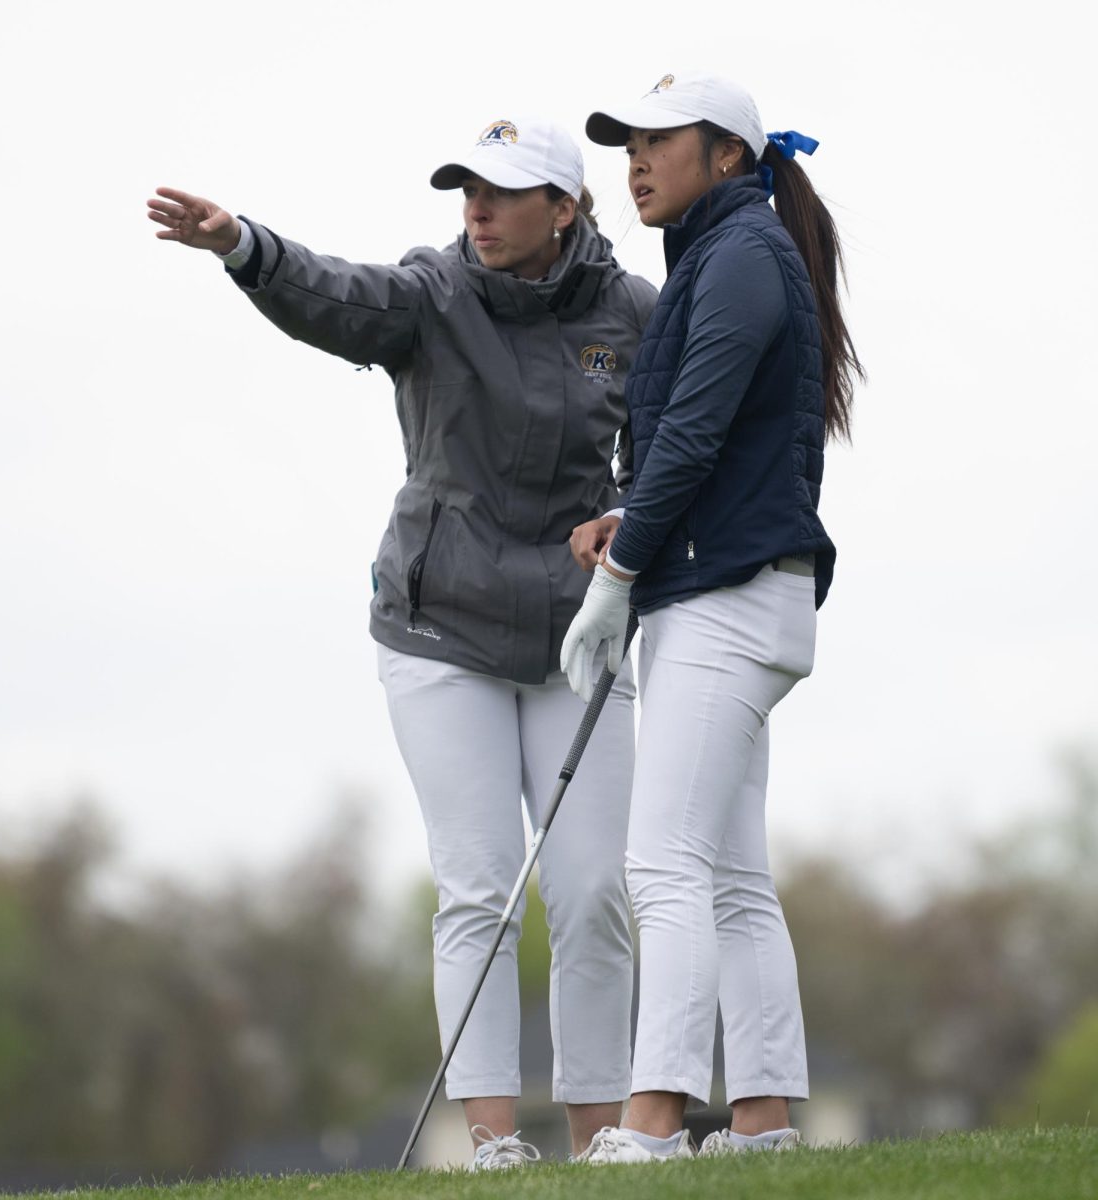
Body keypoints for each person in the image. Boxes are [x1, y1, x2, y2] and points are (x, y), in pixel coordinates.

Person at [147, 115, 658, 1167]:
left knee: (594, 888)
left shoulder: (634, 314)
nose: (477, 209)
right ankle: (492, 1144)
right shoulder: (433, 289)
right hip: (438, 629)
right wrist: (244, 245)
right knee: (477, 885)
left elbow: (668, 455)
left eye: (504, 193)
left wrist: (635, 523)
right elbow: (337, 296)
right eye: (466, 189)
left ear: (563, 207)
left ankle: (603, 1141)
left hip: (578, 631)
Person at [559, 73, 863, 1163]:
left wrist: (618, 572)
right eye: (626, 144)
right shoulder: (725, 254)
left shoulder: (736, 257)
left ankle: (648, 1123)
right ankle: (764, 1117)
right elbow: (704, 452)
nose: (635, 161)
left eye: (659, 141)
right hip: (737, 589)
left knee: (665, 864)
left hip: (726, 602)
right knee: (729, 873)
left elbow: (690, 437)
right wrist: (627, 522)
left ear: (727, 155)